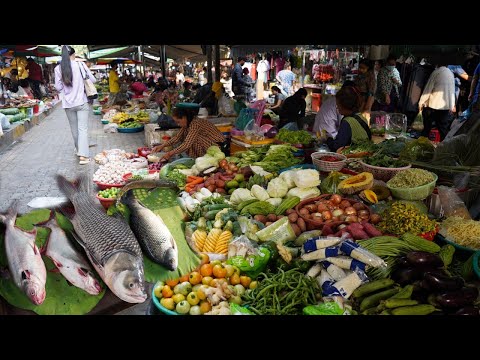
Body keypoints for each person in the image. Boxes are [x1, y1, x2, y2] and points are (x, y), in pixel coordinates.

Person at [54, 45, 96, 165]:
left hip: (68, 103)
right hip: (82, 101)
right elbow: (92, 80)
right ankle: (83, 156)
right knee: (82, 128)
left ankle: (79, 150)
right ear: (73, 54)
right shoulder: (80, 65)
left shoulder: (58, 68)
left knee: (74, 129)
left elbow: (58, 87)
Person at [151, 104, 225, 160]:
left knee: (193, 139)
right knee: (187, 136)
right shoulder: (188, 123)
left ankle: (200, 159)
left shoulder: (196, 123)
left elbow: (187, 144)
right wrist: (162, 146)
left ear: (184, 117)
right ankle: (196, 159)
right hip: (209, 144)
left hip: (217, 146)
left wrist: (170, 153)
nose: (178, 124)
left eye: (178, 122)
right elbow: (177, 137)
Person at [326, 86, 372, 152]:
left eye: (338, 105)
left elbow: (338, 146)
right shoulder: (361, 117)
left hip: (353, 157)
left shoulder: (347, 122)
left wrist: (328, 140)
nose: (337, 107)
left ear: (344, 105)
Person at [418, 61, 456, 141]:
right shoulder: (450, 73)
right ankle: (445, 148)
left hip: (433, 105)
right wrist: (452, 105)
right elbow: (452, 91)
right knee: (443, 130)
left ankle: (421, 145)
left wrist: (421, 102)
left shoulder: (436, 72)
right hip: (445, 106)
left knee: (426, 129)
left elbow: (428, 89)